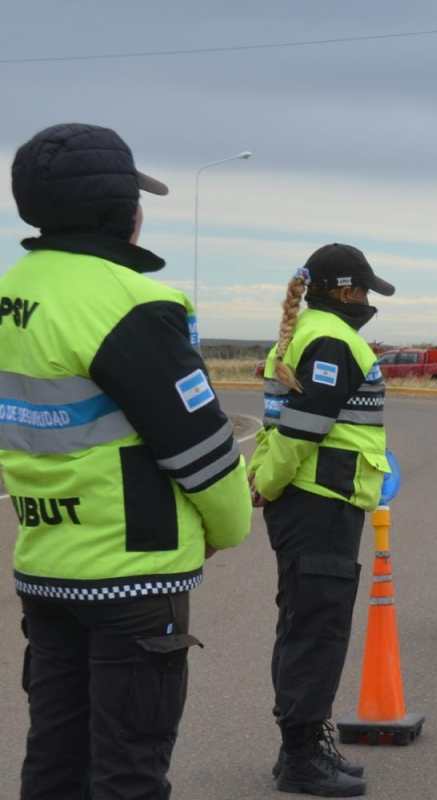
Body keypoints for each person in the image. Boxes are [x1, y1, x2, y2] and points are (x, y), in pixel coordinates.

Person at [2, 122, 252, 799]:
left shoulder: (11, 295)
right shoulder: (133, 303)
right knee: (129, 772)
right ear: (123, 213)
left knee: (55, 762)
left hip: (45, 560)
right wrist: (229, 528)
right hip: (133, 574)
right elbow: (201, 449)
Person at [249, 244, 395, 797]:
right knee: (317, 630)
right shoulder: (332, 339)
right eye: (365, 291)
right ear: (346, 291)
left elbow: (280, 426)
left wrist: (267, 481)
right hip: (321, 500)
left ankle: (302, 744)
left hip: (312, 500)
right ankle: (302, 755)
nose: (368, 302)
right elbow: (302, 429)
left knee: (303, 624)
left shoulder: (304, 333)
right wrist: (267, 483)